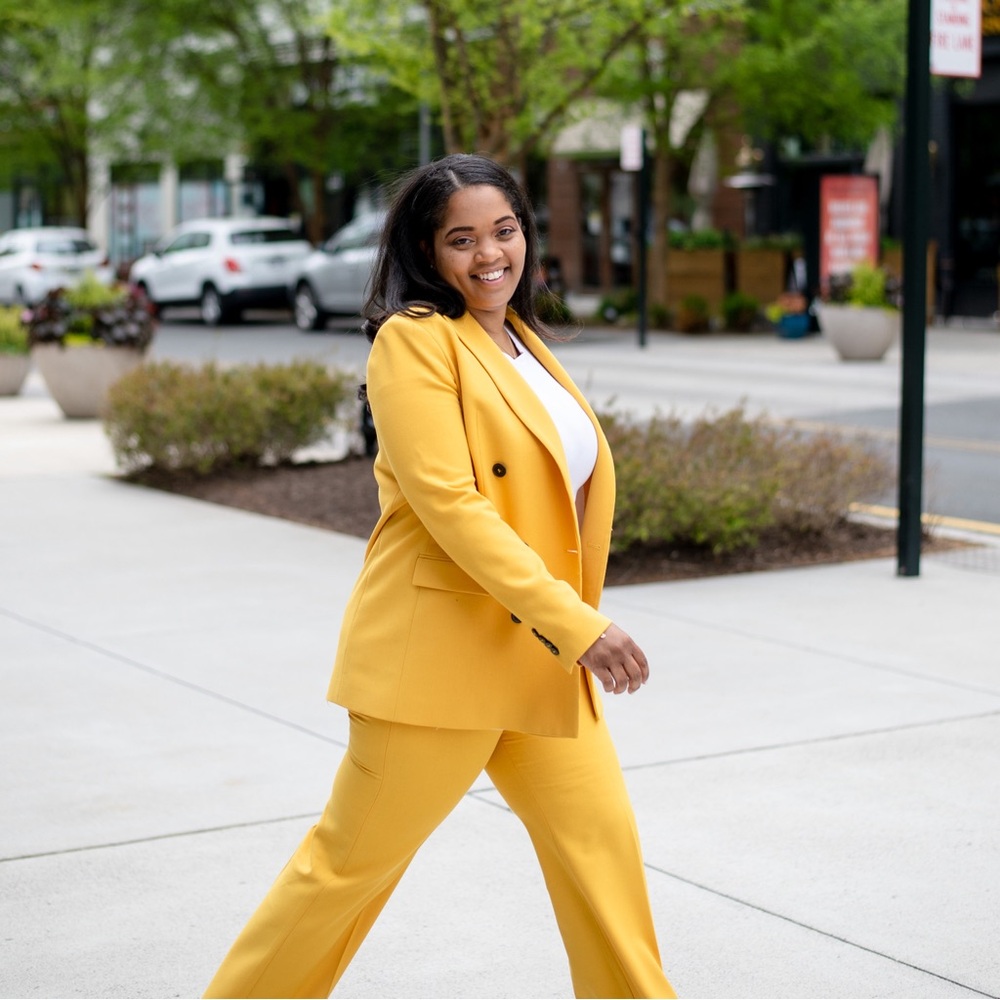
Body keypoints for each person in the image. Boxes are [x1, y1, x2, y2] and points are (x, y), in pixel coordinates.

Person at [204, 153, 676, 1000]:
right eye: (462, 239)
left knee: (605, 871)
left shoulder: (522, 341)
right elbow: (456, 509)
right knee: (344, 877)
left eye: (505, 230)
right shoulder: (413, 342)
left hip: (536, 661)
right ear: (428, 250)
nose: (489, 254)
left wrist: (563, 630)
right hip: (440, 666)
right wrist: (578, 623)